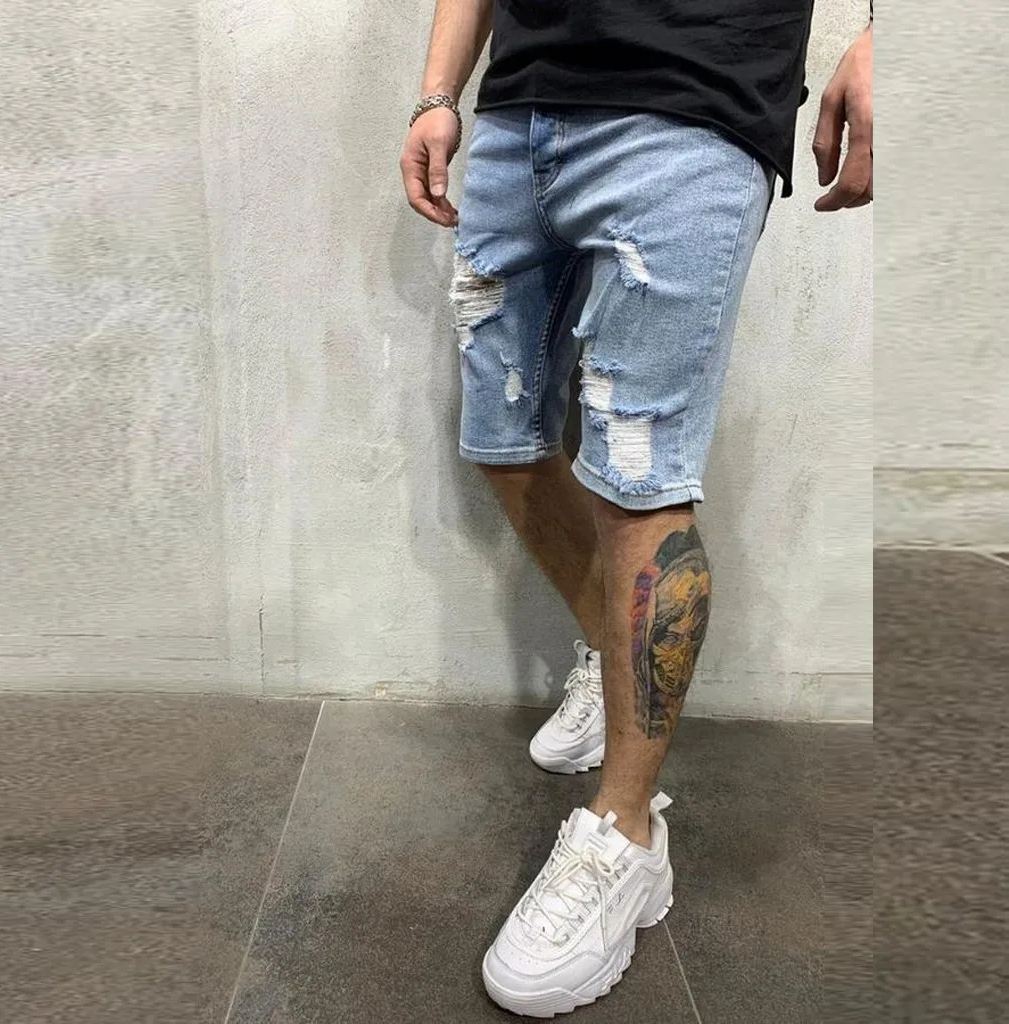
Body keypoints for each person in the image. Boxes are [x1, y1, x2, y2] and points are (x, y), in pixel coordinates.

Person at [400, 1, 872, 1016]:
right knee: (504, 442)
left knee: (640, 483)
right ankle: (606, 656)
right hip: (518, 117)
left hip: (691, 108)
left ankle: (627, 833)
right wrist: (439, 94)